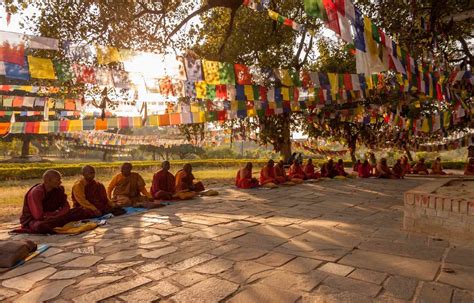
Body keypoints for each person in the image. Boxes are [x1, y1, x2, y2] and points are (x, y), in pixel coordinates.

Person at [20, 170, 90, 234]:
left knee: (81, 211)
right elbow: (38, 216)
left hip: (56, 216)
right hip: (38, 219)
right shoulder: (36, 192)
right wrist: (55, 215)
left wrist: (58, 214)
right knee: (40, 226)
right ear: (48, 180)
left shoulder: (59, 189)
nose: (60, 182)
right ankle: (60, 222)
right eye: (58, 180)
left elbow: (66, 206)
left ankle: (59, 222)